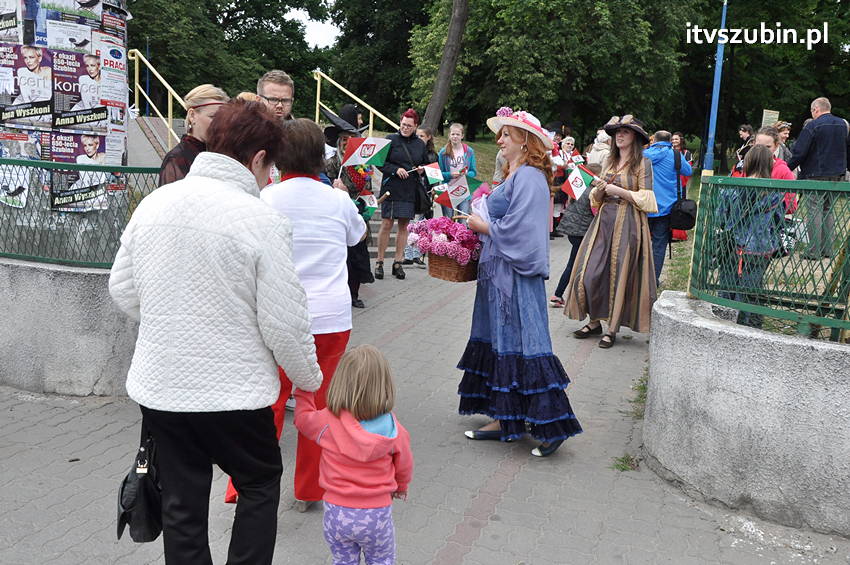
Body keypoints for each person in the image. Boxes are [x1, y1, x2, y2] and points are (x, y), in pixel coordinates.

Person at [108, 99, 322, 565]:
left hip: (162, 386)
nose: (271, 178)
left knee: (182, 499)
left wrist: (173, 319)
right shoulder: (261, 220)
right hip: (233, 393)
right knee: (259, 483)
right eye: (272, 167)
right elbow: (284, 322)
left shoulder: (156, 202)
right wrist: (310, 379)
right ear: (260, 158)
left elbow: (122, 289)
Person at [257, 118, 367, 513]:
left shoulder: (266, 198)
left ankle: (248, 485)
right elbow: (358, 237)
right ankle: (309, 489)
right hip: (330, 317)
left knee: (269, 400)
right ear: (322, 157)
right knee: (318, 403)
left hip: (278, 316)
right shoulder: (336, 200)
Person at [460, 109, 582, 457]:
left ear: (524, 142)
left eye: (506, 136)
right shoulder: (517, 173)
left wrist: (484, 227)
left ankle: (551, 426)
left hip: (515, 276)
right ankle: (505, 418)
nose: (499, 141)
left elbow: (525, 232)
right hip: (501, 275)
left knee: (526, 342)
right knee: (503, 340)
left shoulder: (528, 176)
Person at [294, 345, 413, 565]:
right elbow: (404, 465)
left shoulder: (326, 421)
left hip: (336, 513)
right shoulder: (394, 429)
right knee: (382, 559)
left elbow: (302, 419)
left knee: (343, 560)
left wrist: (304, 391)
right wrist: (401, 486)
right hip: (377, 514)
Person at [565, 115, 658, 348]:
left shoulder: (642, 164)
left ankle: (612, 329)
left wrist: (620, 190)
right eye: (617, 131)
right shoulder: (608, 161)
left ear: (634, 137)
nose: (619, 135)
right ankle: (594, 321)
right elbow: (595, 201)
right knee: (590, 271)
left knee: (619, 274)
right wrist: (600, 191)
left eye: (625, 132)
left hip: (628, 223)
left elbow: (648, 200)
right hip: (603, 222)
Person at [717, 144, 783, 328]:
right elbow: (779, 222)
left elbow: (720, 218)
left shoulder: (731, 189)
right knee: (749, 291)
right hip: (760, 249)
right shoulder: (775, 193)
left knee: (726, 286)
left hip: (731, 246)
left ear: (748, 163)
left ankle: (723, 323)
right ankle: (746, 326)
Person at [323, 107, 375, 308]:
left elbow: (367, 189)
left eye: (350, 140)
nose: (346, 143)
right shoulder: (330, 163)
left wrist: (349, 189)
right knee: (340, 257)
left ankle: (353, 294)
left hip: (357, 214)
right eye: (343, 139)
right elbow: (323, 186)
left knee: (357, 257)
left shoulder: (362, 166)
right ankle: (340, 293)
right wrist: (334, 187)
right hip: (336, 216)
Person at [787, 97, 850, 259]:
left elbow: (800, 152)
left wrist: (787, 168)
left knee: (814, 210)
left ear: (816, 109)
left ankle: (813, 251)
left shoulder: (813, 125)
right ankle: (828, 250)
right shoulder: (844, 125)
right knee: (828, 210)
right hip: (837, 174)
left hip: (815, 174)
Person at [376, 108, 428, 280]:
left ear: (415, 126)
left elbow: (427, 166)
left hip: (409, 190)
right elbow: (380, 163)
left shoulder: (420, 144)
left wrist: (422, 170)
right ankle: (380, 262)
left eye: (408, 126)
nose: (405, 128)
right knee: (386, 224)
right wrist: (395, 169)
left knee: (404, 226)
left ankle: (398, 262)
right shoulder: (390, 139)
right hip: (391, 188)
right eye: (403, 124)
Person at [644, 130, 693, 285]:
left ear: (655, 140)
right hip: (666, 208)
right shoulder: (676, 155)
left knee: (640, 244)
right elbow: (688, 171)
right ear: (670, 140)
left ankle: (637, 278)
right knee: (659, 245)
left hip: (644, 205)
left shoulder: (644, 155)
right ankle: (652, 280)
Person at [550, 162, 601, 307]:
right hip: (582, 232)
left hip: (572, 231)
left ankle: (559, 295)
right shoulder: (593, 191)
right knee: (575, 265)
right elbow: (595, 212)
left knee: (573, 263)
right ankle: (560, 295)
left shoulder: (578, 187)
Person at [158, 84, 229, 186]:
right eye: (213, 117)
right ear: (192, 115)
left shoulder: (224, 155)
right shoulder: (177, 159)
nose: (220, 123)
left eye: (224, 118)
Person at [402, 125, 439, 267]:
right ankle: (407, 255)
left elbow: (435, 177)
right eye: (417, 136)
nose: (419, 139)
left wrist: (426, 173)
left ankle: (418, 254)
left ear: (428, 137)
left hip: (425, 192)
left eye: (422, 136)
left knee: (421, 225)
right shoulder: (411, 151)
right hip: (411, 191)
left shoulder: (432, 155)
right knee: (409, 224)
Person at [437, 123, 478, 218]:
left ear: (462, 136)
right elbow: (438, 174)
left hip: (463, 188)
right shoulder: (443, 152)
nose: (455, 136)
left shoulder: (469, 151)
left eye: (458, 134)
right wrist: (450, 175)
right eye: (453, 134)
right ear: (449, 135)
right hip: (447, 189)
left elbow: (474, 171)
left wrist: (466, 173)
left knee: (463, 219)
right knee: (448, 220)